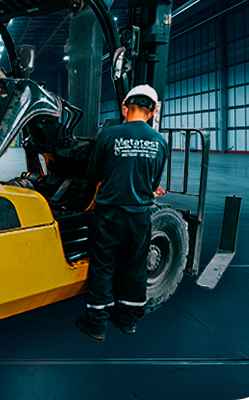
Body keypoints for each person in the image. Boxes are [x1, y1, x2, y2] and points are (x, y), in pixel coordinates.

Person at [75, 84, 168, 341]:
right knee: (135, 267)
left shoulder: (109, 135)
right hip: (140, 215)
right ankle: (128, 321)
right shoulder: (160, 142)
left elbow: (94, 173)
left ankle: (96, 324)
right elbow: (153, 183)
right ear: (151, 112)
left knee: (103, 266)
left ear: (125, 107)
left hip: (109, 215)